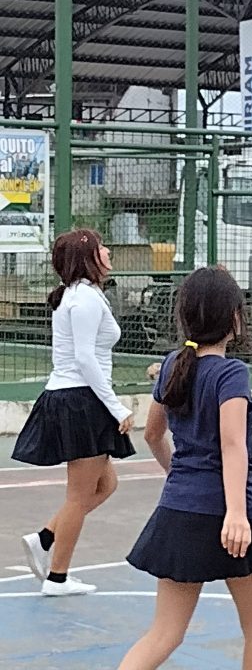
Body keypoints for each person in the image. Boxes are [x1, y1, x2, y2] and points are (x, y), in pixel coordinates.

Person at [119, 267, 252, 670]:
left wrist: (179, 476)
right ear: (235, 319)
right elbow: (232, 443)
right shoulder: (231, 373)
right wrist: (237, 512)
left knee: (164, 633)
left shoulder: (172, 365)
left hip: (180, 510)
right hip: (230, 512)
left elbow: (153, 435)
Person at [12, 229, 135, 596]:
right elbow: (84, 358)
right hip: (80, 401)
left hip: (79, 399)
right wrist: (115, 406)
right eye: (101, 247)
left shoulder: (87, 295)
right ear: (88, 257)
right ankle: (58, 577)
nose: (108, 251)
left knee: (106, 484)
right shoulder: (83, 299)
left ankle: (45, 538)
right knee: (79, 497)